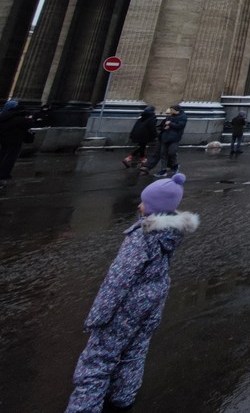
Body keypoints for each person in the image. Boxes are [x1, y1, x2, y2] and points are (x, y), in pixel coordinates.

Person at [66, 173, 199, 412]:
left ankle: (83, 407)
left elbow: (119, 279)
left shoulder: (141, 237)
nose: (139, 205)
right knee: (135, 351)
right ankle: (123, 396)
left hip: (128, 305)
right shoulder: (170, 233)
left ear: (153, 208)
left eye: (144, 202)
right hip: (152, 301)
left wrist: (99, 315)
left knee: (98, 359)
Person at [140, 105, 187, 177]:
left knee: (170, 153)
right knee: (161, 154)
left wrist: (170, 125)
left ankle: (173, 166)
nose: (168, 114)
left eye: (170, 112)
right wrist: (162, 128)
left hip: (173, 138)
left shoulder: (182, 117)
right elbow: (163, 126)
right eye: (167, 113)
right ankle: (160, 169)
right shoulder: (169, 117)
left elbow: (180, 126)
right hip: (163, 137)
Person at [0, 99, 34, 180]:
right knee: (10, 157)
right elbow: (29, 124)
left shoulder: (4, 115)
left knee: (2, 155)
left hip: (4, 139)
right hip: (15, 140)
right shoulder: (19, 118)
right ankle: (4, 174)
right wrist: (29, 118)